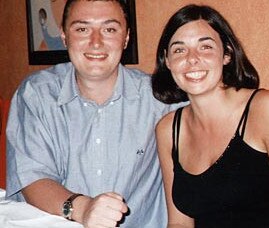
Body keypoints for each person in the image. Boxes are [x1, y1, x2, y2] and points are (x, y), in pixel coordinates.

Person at [6, 0, 184, 227]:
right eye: (82, 29)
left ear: (126, 37)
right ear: (63, 36)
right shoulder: (36, 95)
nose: (96, 42)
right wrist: (83, 208)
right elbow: (32, 177)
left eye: (109, 29)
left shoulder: (160, 100)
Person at [152, 4, 269, 227]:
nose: (192, 59)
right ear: (167, 60)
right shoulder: (168, 129)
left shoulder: (265, 109)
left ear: (227, 55)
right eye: (179, 50)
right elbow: (180, 223)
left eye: (205, 47)